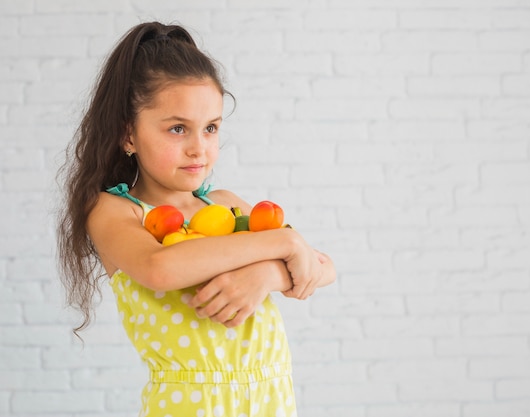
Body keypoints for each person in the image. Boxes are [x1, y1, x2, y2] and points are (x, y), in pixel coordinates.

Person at [56, 21, 335, 417]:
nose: (198, 148)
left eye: (210, 128)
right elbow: (159, 268)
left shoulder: (224, 206)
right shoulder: (117, 211)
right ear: (128, 136)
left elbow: (321, 267)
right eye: (177, 129)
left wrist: (266, 275)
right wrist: (285, 244)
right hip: (190, 405)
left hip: (271, 400)